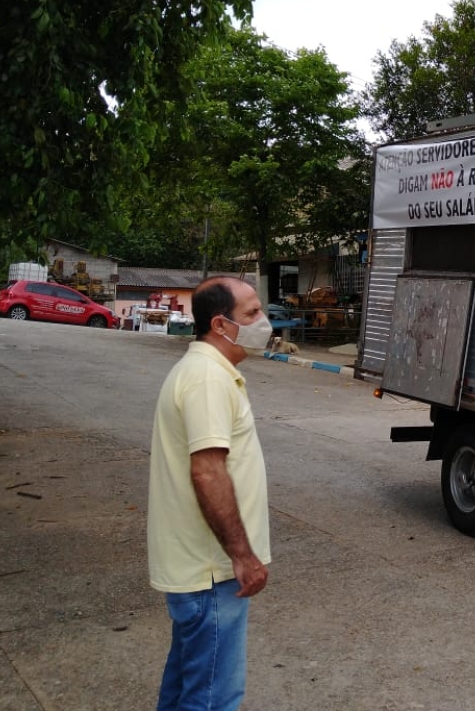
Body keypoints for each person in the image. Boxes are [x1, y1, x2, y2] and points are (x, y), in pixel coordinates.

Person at [148, 276, 275, 711]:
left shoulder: (209, 372)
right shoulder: (207, 379)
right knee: (212, 699)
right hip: (212, 573)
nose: (263, 322)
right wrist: (242, 555)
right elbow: (207, 472)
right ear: (220, 325)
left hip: (203, 570)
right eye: (251, 314)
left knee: (187, 686)